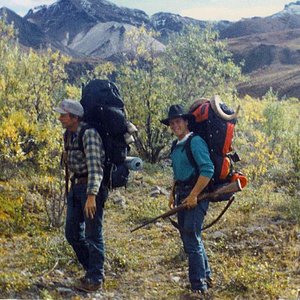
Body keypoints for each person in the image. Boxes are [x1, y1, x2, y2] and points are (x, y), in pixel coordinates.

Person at [55, 99, 108, 292]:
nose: (60, 118)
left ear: (74, 117)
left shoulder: (89, 135)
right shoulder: (68, 135)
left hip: (90, 189)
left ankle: (95, 278)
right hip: (76, 188)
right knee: (72, 233)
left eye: (63, 114)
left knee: (93, 234)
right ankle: (93, 269)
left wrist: (92, 195)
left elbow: (96, 167)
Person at [161, 104, 214, 296]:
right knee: (189, 237)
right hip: (182, 195)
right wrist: (172, 194)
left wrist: (194, 195)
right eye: (172, 123)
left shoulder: (196, 142)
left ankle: (198, 287)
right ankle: (206, 275)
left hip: (197, 195)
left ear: (186, 122)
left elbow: (207, 170)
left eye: (178, 121)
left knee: (191, 238)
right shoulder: (176, 145)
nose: (175, 125)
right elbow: (178, 173)